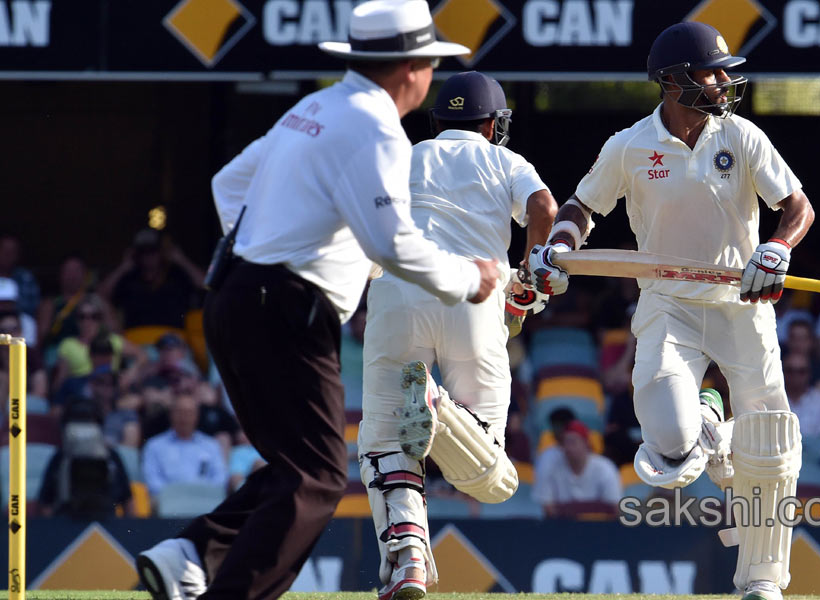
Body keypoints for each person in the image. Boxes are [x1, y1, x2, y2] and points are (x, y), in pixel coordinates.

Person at [135, 3, 497, 599]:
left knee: (295, 469)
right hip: (286, 310)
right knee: (319, 478)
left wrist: (259, 250)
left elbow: (229, 183)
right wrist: (469, 279)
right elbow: (393, 243)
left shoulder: (315, 107)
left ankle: (191, 552)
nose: (432, 73)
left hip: (234, 295)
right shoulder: (376, 129)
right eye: (431, 62)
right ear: (410, 67)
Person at [527, 22, 815, 600]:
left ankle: (762, 582)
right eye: (710, 72)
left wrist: (777, 248)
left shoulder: (742, 136)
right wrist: (559, 246)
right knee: (671, 454)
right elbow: (582, 207)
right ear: (673, 81)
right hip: (666, 304)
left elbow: (798, 206)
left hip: (743, 301)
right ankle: (708, 424)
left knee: (771, 441)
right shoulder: (629, 145)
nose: (721, 82)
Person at [358, 69, 556, 599]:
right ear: (493, 125)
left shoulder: (404, 155)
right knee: (493, 479)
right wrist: (533, 273)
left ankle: (408, 565)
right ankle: (439, 408)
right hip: (474, 292)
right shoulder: (506, 160)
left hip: (398, 291)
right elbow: (543, 208)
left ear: (439, 120)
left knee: (383, 442)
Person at [141, 393, 228, 501]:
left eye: (189, 413)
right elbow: (152, 480)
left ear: (197, 416)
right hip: (168, 503)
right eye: (179, 412)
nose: (184, 417)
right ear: (171, 414)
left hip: (204, 501)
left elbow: (220, 478)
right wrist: (179, 496)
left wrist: (197, 496)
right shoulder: (154, 445)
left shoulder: (211, 445)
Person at [533, 420, 622, 517]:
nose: (568, 447)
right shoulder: (550, 464)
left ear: (585, 444)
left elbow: (615, 508)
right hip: (562, 526)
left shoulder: (605, 467)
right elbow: (547, 508)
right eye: (565, 442)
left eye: (573, 442)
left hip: (598, 526)